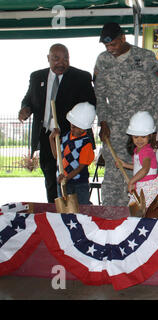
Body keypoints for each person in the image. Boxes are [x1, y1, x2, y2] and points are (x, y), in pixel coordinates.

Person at [94, 22, 158, 207]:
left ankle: (139, 216)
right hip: (115, 129)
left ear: (123, 38)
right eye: (106, 46)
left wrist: (156, 129)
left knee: (143, 174)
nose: (110, 49)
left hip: (142, 131)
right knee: (114, 175)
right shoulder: (103, 61)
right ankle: (111, 216)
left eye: (113, 44)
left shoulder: (145, 57)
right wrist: (102, 121)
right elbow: (99, 96)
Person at [19, 43, 96, 203]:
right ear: (48, 58)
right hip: (47, 136)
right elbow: (28, 100)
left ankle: (75, 213)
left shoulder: (81, 77)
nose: (61, 63)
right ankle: (54, 211)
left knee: (73, 179)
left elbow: (92, 105)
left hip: (72, 138)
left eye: (65, 58)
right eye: (56, 58)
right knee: (50, 177)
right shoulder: (36, 77)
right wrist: (25, 108)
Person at [49, 102, 96, 205]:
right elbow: (57, 157)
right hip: (63, 182)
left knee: (81, 208)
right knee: (64, 209)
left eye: (77, 127)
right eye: (72, 126)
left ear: (84, 127)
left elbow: (80, 167)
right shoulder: (66, 137)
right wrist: (51, 139)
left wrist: (66, 178)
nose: (73, 129)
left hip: (78, 185)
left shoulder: (86, 144)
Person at [117, 111, 158, 208]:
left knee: (145, 210)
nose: (139, 140)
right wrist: (124, 165)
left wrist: (132, 181)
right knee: (137, 210)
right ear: (131, 136)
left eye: (143, 137)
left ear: (150, 136)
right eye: (136, 137)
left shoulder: (146, 151)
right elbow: (139, 166)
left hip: (148, 186)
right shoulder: (138, 150)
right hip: (141, 184)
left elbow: (145, 169)